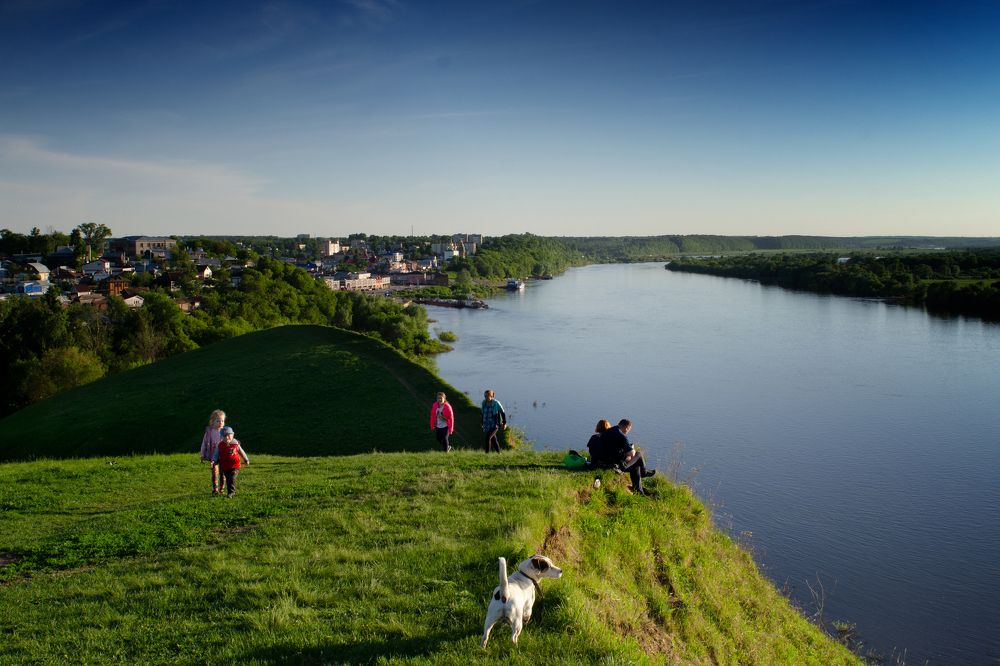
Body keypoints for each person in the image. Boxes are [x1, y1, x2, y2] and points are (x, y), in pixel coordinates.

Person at [597, 419, 656, 495]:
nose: (627, 432)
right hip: (612, 463)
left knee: (636, 466)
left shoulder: (609, 431)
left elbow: (613, 447)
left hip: (602, 460)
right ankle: (642, 472)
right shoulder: (622, 435)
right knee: (639, 454)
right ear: (627, 428)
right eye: (628, 430)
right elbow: (631, 453)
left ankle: (639, 490)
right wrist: (632, 450)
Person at [213, 426, 250, 498]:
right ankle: (230, 491)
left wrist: (246, 459)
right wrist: (214, 460)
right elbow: (216, 454)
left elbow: (242, 452)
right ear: (221, 437)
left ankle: (231, 493)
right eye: (224, 436)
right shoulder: (220, 445)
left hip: (235, 465)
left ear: (232, 435)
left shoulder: (236, 444)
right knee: (228, 479)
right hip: (225, 466)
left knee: (232, 478)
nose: (226, 438)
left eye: (228, 435)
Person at [199, 409, 226, 495]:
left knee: (223, 472)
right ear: (212, 422)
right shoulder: (209, 432)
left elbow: (230, 441)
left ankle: (222, 488)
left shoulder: (225, 431)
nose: (221, 422)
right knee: (215, 473)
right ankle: (215, 489)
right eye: (218, 421)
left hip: (223, 455)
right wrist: (202, 454)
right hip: (213, 456)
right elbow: (204, 443)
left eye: (222, 420)